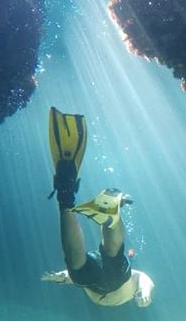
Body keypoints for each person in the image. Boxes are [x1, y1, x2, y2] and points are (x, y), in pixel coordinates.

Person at [41, 106, 154, 307]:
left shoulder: (127, 275)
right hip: (112, 282)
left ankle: (70, 199)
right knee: (94, 261)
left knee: (80, 266)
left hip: (90, 280)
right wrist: (145, 294)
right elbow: (145, 279)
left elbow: (73, 275)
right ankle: (69, 201)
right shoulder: (134, 276)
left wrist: (62, 277)